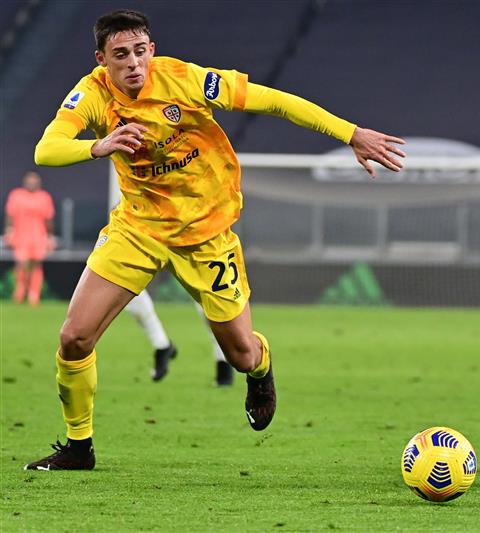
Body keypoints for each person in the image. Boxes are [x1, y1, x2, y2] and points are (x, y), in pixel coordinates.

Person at [25, 9, 405, 471]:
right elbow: (47, 148)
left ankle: (261, 370)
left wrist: (351, 133)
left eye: (141, 51)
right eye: (120, 54)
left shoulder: (187, 81)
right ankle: (79, 446)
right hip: (139, 228)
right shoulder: (91, 94)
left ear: (152, 50)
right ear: (101, 59)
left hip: (206, 233)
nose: (133, 63)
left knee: (240, 354)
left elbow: (274, 101)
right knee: (74, 338)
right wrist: (97, 145)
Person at [4, 171, 56, 306]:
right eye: (29, 181)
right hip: (21, 235)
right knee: (21, 263)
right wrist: (9, 230)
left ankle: (34, 294)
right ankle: (20, 292)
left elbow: (48, 219)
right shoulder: (16, 195)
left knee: (36, 264)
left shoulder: (44, 197)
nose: (32, 184)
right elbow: (9, 215)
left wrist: (50, 237)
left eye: (35, 181)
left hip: (38, 235)